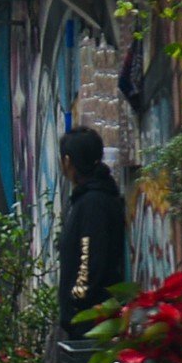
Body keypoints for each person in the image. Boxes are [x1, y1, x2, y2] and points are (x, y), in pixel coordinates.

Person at [55, 126, 126, 334]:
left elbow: (89, 257)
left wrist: (76, 298)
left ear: (68, 161)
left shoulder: (92, 203)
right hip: (88, 320)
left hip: (90, 324)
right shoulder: (91, 199)